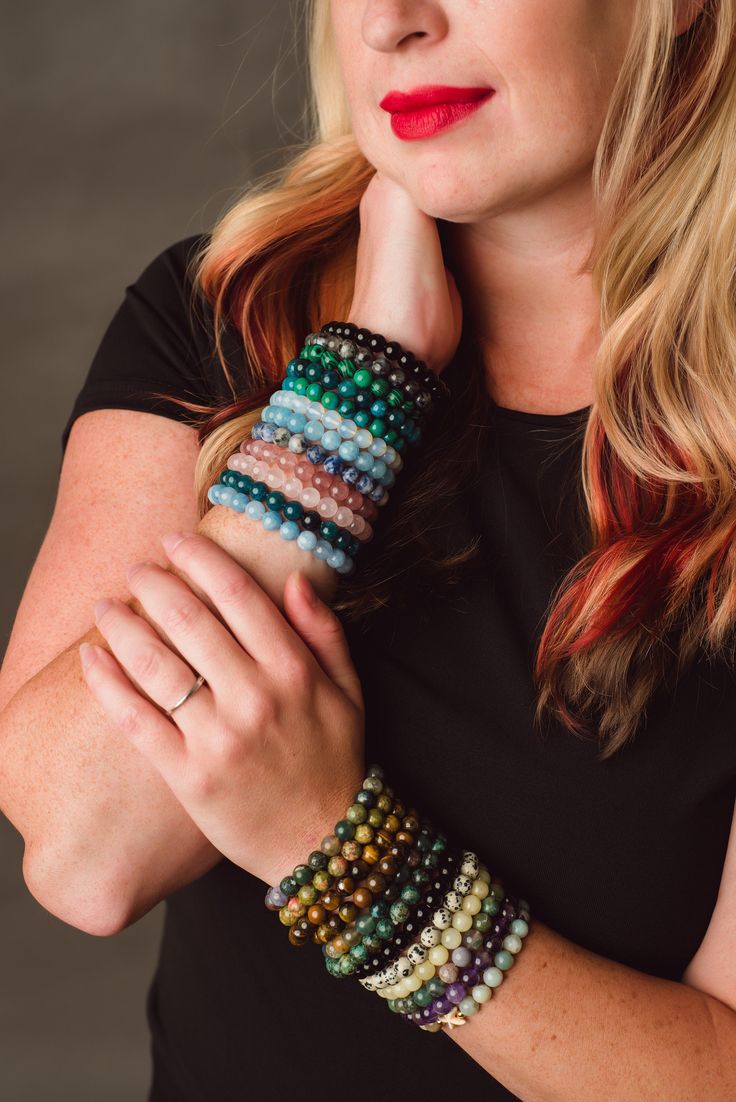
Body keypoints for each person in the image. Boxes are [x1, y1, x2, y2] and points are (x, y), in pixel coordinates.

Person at [2, 0, 735, 1098]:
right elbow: (82, 853)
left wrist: (329, 846)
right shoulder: (227, 315)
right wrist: (356, 393)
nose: (393, 23)